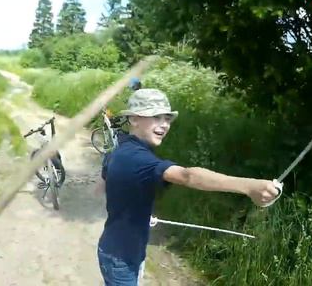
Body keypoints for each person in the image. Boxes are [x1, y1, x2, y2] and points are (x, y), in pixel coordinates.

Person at [97, 88, 279, 285]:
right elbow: (187, 176)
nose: (164, 125)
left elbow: (106, 180)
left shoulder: (122, 147)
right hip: (121, 258)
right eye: (156, 117)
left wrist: (132, 210)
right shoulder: (137, 158)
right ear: (133, 119)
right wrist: (250, 187)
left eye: (167, 118)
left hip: (121, 249)